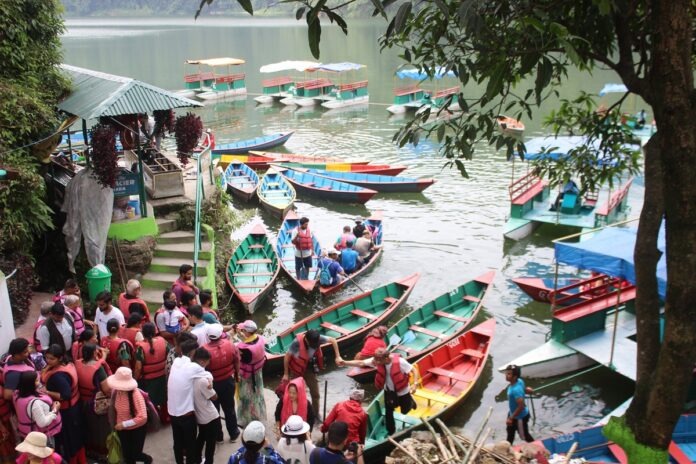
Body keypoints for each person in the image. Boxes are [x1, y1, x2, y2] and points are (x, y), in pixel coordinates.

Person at [342, 347, 418, 435]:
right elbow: (361, 363)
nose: (376, 363)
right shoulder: (377, 360)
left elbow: (414, 370)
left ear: (386, 358)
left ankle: (411, 402)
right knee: (389, 411)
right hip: (389, 391)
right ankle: (391, 432)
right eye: (376, 360)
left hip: (403, 391)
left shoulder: (400, 362)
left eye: (379, 361)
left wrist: (415, 384)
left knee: (404, 411)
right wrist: (344, 362)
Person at [168, 339, 211, 464]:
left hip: (173, 413)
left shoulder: (176, 361)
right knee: (191, 445)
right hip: (186, 415)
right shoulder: (193, 367)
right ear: (193, 353)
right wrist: (210, 379)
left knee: (178, 443)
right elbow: (207, 374)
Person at [283, 329, 344, 418]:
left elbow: (333, 340)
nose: (315, 346)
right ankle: (296, 413)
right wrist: (286, 374)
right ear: (307, 340)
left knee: (315, 394)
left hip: (308, 368)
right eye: (313, 344)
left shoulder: (318, 339)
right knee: (295, 393)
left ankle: (316, 414)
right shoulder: (297, 342)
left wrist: (338, 356)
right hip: (296, 370)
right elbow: (287, 357)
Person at [41, 344, 85, 464]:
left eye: (52, 359)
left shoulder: (59, 376)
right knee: (75, 436)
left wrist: (46, 392)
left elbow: (65, 395)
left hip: (67, 411)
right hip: (75, 406)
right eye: (47, 358)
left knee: (70, 438)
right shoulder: (68, 364)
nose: (48, 361)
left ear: (60, 358)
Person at [203, 324, 240, 442]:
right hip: (228, 381)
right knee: (229, 408)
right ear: (220, 334)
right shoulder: (230, 345)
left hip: (212, 384)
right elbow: (237, 361)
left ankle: (219, 436)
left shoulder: (203, 350)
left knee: (214, 410)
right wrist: (237, 376)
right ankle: (233, 433)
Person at [107, 367, 152, 464]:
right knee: (127, 456)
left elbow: (143, 417)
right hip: (123, 431)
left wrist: (124, 424)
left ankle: (148, 460)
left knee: (136, 454)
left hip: (137, 429)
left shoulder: (135, 394)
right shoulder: (115, 392)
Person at [75, 343, 111, 461]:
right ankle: (102, 453)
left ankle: (90, 450)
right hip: (96, 403)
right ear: (95, 353)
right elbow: (106, 389)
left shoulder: (78, 363)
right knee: (100, 429)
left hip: (82, 402)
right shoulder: (98, 369)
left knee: (88, 427)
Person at [13, 371, 62, 443]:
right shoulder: (35, 403)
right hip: (42, 438)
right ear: (30, 384)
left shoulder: (17, 395)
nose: (39, 382)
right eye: (36, 380)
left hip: (29, 435)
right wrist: (55, 409)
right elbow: (42, 423)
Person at [234, 321, 267, 426]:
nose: (242, 331)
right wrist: (242, 336)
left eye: (243, 330)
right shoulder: (260, 339)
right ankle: (258, 414)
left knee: (246, 397)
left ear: (247, 332)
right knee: (257, 396)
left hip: (247, 377)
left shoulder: (244, 348)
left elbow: (238, 354)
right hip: (258, 374)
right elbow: (250, 342)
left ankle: (248, 419)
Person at [191, 348, 221, 464]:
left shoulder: (190, 376)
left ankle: (197, 460)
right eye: (208, 361)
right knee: (210, 445)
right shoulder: (203, 381)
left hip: (199, 416)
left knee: (201, 439)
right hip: (210, 416)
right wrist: (211, 385)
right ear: (202, 362)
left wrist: (210, 378)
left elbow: (207, 374)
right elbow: (214, 397)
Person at [134, 322, 168, 421]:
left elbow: (138, 368)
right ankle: (165, 417)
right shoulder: (163, 341)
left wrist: (135, 379)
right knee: (163, 398)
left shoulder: (140, 348)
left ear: (143, 333)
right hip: (162, 376)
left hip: (148, 380)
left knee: (149, 400)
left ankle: (153, 420)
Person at [504, 364, 534, 444]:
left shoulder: (515, 390)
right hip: (512, 413)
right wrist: (526, 390)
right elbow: (523, 389)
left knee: (524, 436)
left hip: (519, 417)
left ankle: (535, 446)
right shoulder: (519, 381)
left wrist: (511, 418)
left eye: (509, 374)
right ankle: (508, 447)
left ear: (515, 377)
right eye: (507, 373)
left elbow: (521, 406)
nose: (506, 375)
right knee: (510, 433)